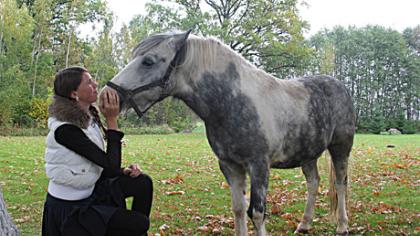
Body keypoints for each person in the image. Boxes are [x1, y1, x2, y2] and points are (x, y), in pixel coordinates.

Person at [42, 66, 153, 236]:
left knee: (143, 183)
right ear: (74, 94)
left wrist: (124, 171)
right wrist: (112, 120)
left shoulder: (89, 116)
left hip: (92, 190)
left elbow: (103, 163)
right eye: (89, 82)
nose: (96, 84)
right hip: (72, 210)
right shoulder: (65, 130)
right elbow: (109, 164)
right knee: (140, 223)